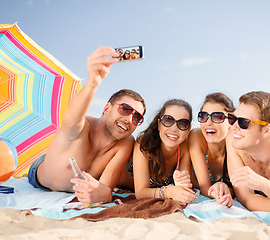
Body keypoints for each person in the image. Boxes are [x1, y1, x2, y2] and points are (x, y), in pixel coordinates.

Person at [28, 46, 146, 204]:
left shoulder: (126, 142)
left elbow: (104, 189)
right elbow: (72, 118)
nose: (129, 119)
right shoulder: (81, 128)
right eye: (125, 109)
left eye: (137, 117)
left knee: (128, 179)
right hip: (42, 173)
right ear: (106, 108)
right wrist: (92, 83)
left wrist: (104, 193)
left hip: (86, 166)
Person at [131, 99, 197, 204]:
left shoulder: (184, 148)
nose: (174, 128)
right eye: (168, 120)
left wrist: (182, 185)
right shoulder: (143, 143)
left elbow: (184, 187)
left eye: (183, 124)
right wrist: (168, 191)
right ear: (159, 124)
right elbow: (140, 193)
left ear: (188, 130)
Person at [189, 92, 235, 207]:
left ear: (231, 121)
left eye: (217, 117)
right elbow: (205, 188)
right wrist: (222, 194)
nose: (208, 123)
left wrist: (227, 191)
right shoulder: (196, 136)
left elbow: (239, 189)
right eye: (204, 116)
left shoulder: (235, 144)